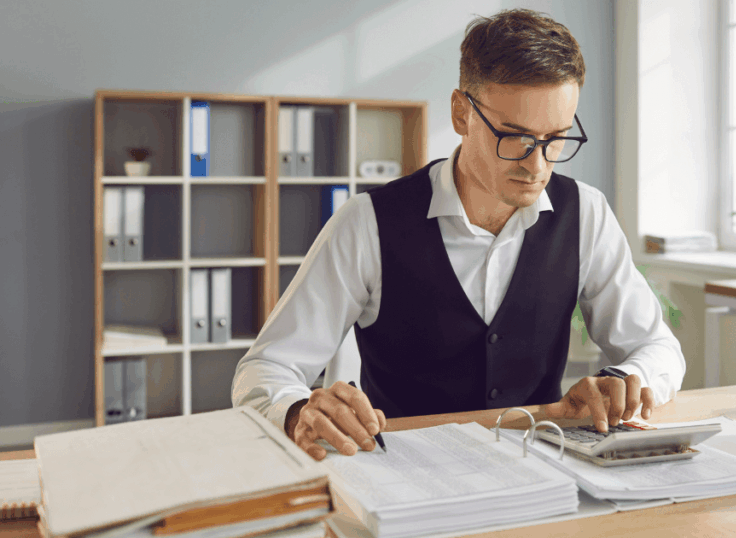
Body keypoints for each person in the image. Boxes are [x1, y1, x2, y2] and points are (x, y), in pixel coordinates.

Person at [232, 8, 684, 461]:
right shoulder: (366, 222)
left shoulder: (585, 212)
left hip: (542, 473)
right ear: (460, 113)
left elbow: (656, 347)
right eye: (515, 137)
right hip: (399, 477)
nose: (537, 164)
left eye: (556, 138)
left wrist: (626, 379)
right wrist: (297, 411)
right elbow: (265, 368)